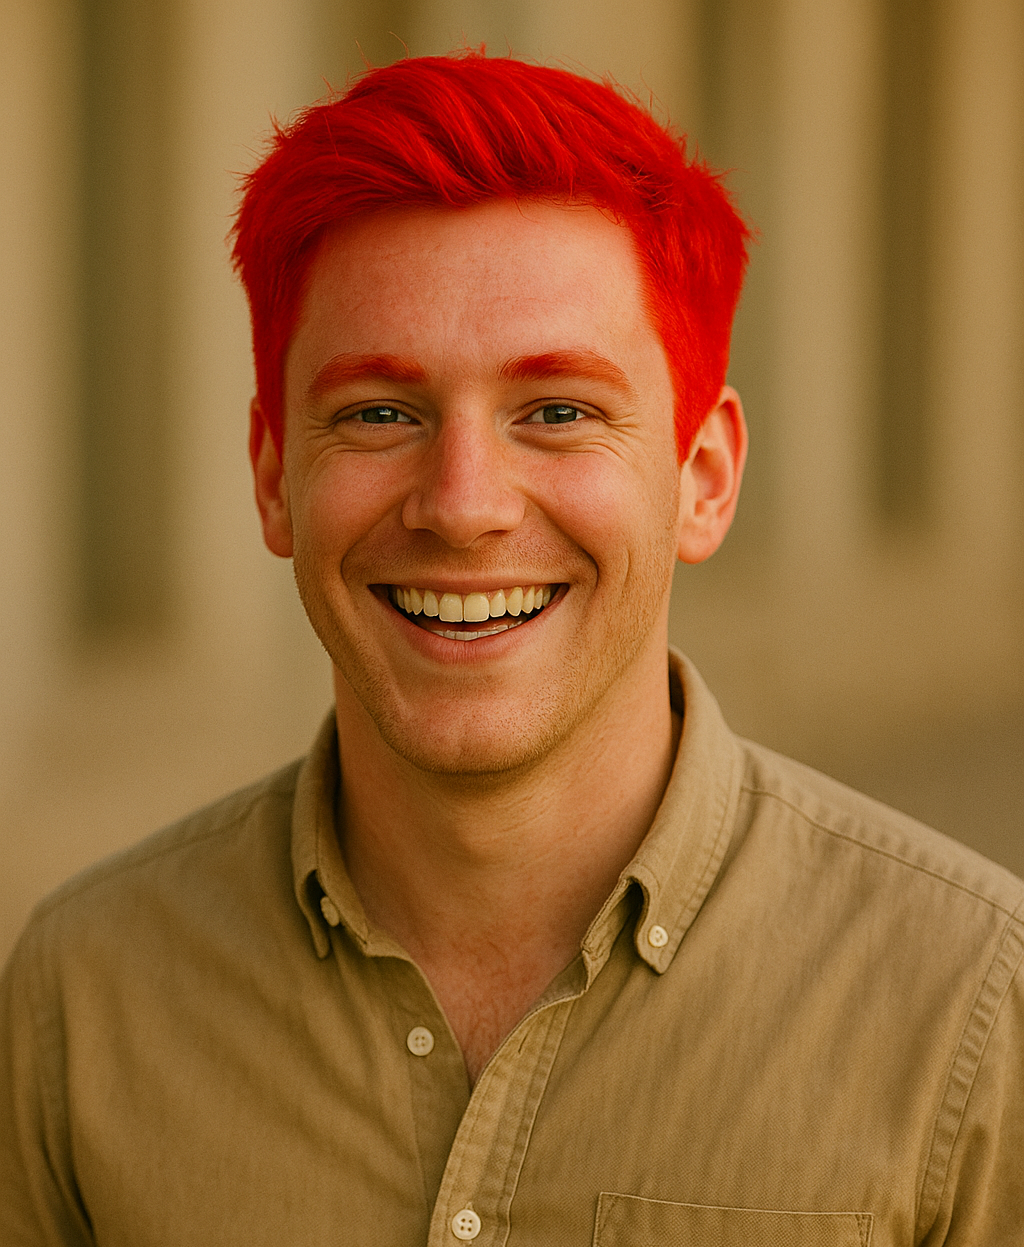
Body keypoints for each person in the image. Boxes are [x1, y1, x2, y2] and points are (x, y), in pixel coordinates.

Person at [2, 52, 1022, 1247]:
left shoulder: (973, 1007)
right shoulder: (85, 997)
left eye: (557, 411)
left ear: (703, 477)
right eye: (381, 411)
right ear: (276, 477)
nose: (463, 503)